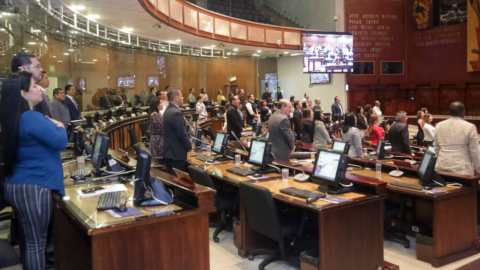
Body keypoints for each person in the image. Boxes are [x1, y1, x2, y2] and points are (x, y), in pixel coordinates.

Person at [0, 72, 67, 270]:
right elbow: (60, 141)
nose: (39, 88)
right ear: (23, 93)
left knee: (32, 243)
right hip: (34, 186)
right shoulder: (30, 117)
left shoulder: (16, 117)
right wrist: (60, 125)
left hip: (23, 184)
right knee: (36, 244)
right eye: (34, 86)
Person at [434, 102, 480, 175]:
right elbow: (474, 151)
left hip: (441, 166)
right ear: (462, 112)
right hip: (461, 169)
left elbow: (436, 148)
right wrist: (478, 169)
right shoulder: (470, 127)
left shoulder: (439, 125)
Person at [163, 89, 192, 174]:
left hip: (170, 153)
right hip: (176, 154)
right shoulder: (176, 113)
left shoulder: (168, 110)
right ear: (176, 98)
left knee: (171, 181)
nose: (183, 98)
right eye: (181, 96)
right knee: (177, 182)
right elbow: (182, 134)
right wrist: (189, 146)